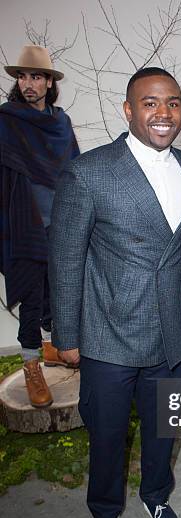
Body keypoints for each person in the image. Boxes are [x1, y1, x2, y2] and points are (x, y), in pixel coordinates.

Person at [49, 67, 181, 518]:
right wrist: (67, 334)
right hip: (109, 333)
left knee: (163, 428)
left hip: (172, 333)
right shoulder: (88, 171)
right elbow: (67, 257)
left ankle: (157, 497)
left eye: (173, 103)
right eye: (151, 103)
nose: (164, 113)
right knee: (108, 435)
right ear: (128, 110)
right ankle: (104, 510)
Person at [0, 45, 79, 408]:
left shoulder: (60, 122)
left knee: (62, 292)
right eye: (23, 76)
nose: (28, 83)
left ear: (50, 82)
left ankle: (56, 348)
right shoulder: (6, 120)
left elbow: (76, 171)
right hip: (24, 225)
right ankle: (31, 363)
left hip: (60, 223)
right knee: (32, 297)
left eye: (36, 76)